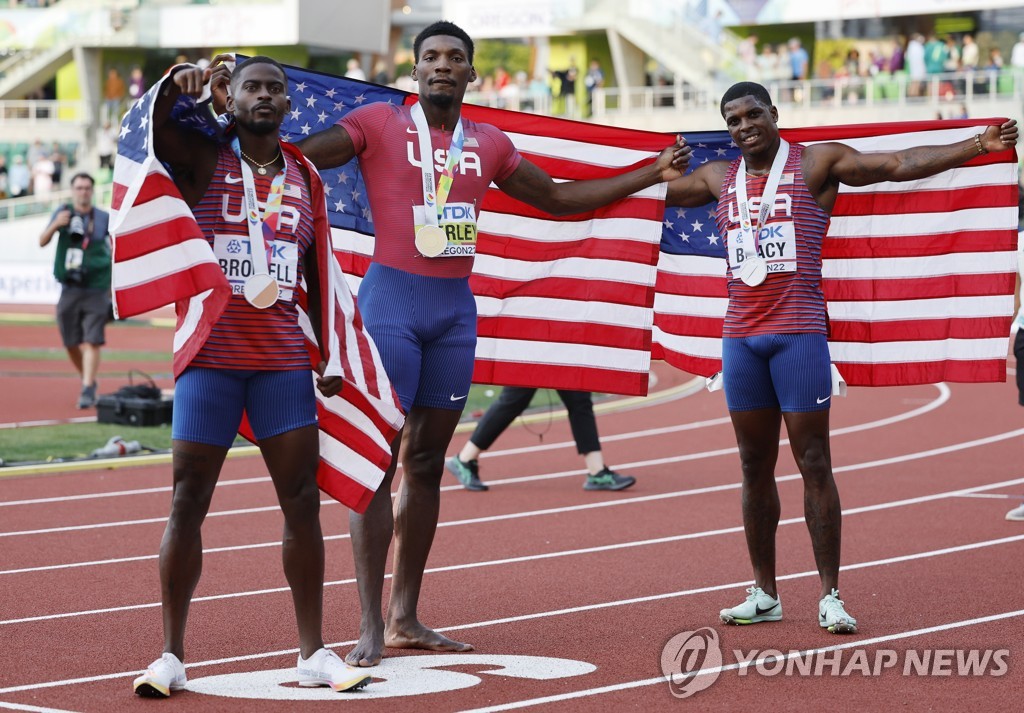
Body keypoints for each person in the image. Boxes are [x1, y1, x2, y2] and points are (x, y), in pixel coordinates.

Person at [295, 20, 689, 667]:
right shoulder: (377, 124)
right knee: (377, 461)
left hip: (454, 315)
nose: (443, 65)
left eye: (455, 57)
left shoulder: (490, 143)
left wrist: (649, 172)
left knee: (426, 464)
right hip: (389, 308)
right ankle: (368, 622)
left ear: (471, 73)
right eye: (431, 57)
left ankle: (404, 617)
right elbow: (306, 154)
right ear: (414, 70)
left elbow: (560, 199)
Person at [662, 81, 1017, 634]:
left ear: (774, 114)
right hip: (740, 339)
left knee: (814, 463)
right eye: (733, 120)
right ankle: (764, 591)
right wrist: (651, 165)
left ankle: (829, 594)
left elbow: (897, 164)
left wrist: (975, 146)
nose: (744, 126)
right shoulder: (716, 176)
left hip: (799, 334)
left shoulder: (816, 163)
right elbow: (651, 193)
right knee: (753, 466)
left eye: (753, 114)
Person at [130, 56, 372, 697]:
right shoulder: (202, 157)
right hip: (210, 358)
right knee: (188, 503)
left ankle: (313, 652)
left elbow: (315, 266)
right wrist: (179, 79)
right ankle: (171, 656)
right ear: (228, 96)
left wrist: (329, 352)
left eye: (275, 88)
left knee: (301, 504)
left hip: (282, 360)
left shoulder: (303, 174)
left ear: (289, 104)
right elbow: (149, 132)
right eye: (251, 87)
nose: (265, 95)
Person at [447, 388, 635, 492]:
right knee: (514, 399)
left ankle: (597, 471)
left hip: (561, 336)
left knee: (579, 398)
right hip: (534, 339)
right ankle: (464, 459)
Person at [38, 173, 112, 408]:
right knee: (70, 342)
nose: (83, 192)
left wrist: (113, 286)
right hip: (69, 287)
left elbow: (117, 249)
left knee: (92, 339)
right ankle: (88, 379)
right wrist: (56, 224)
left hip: (97, 286)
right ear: (72, 190)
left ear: (92, 190)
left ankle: (88, 387)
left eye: (87, 187)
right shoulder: (63, 212)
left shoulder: (102, 218)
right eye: (79, 187)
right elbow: (42, 241)